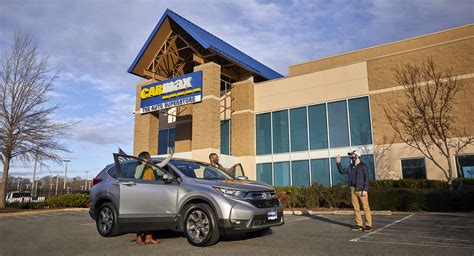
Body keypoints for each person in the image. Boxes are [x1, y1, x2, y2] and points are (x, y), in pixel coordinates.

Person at [336, 150, 373, 232]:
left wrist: (365, 190)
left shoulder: (363, 166)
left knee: (365, 207)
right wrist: (338, 163)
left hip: (361, 189)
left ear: (357, 156)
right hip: (353, 189)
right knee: (356, 208)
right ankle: (359, 224)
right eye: (351, 156)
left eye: (352, 156)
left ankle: (368, 225)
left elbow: (367, 179)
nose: (351, 158)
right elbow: (342, 171)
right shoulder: (351, 166)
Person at [134, 151, 160, 245]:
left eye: (149, 158)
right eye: (147, 158)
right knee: (141, 216)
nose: (149, 159)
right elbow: (137, 176)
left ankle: (149, 237)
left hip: (151, 194)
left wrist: (169, 157)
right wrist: (143, 165)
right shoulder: (139, 167)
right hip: (142, 193)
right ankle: (139, 237)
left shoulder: (151, 167)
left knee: (151, 216)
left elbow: (161, 167)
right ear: (142, 159)